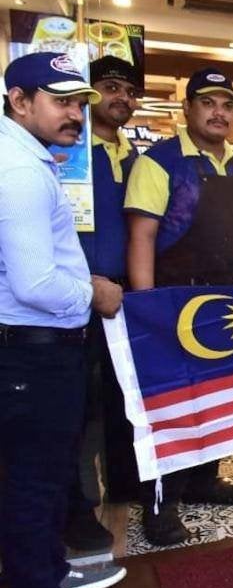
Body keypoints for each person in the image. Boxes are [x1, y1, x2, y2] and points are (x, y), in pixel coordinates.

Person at [124, 67, 233, 546]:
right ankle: (160, 504)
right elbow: (142, 237)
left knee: (220, 399)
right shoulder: (160, 162)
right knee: (172, 408)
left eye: (227, 105)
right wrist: (148, 309)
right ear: (187, 108)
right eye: (207, 103)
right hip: (176, 304)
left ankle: (204, 481)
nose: (218, 112)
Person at [0, 52, 126, 588]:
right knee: (35, 485)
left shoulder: (29, 157)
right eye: (61, 102)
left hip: (33, 352)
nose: (75, 114)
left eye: (79, 103)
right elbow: (35, 284)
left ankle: (50, 571)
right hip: (33, 354)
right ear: (19, 101)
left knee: (45, 480)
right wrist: (93, 294)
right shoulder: (23, 171)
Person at [63, 56, 143, 553]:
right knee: (77, 407)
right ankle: (77, 508)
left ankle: (127, 485)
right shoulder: (68, 152)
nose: (123, 98)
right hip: (75, 293)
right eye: (111, 87)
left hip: (127, 292)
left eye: (131, 91)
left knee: (123, 395)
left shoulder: (137, 158)